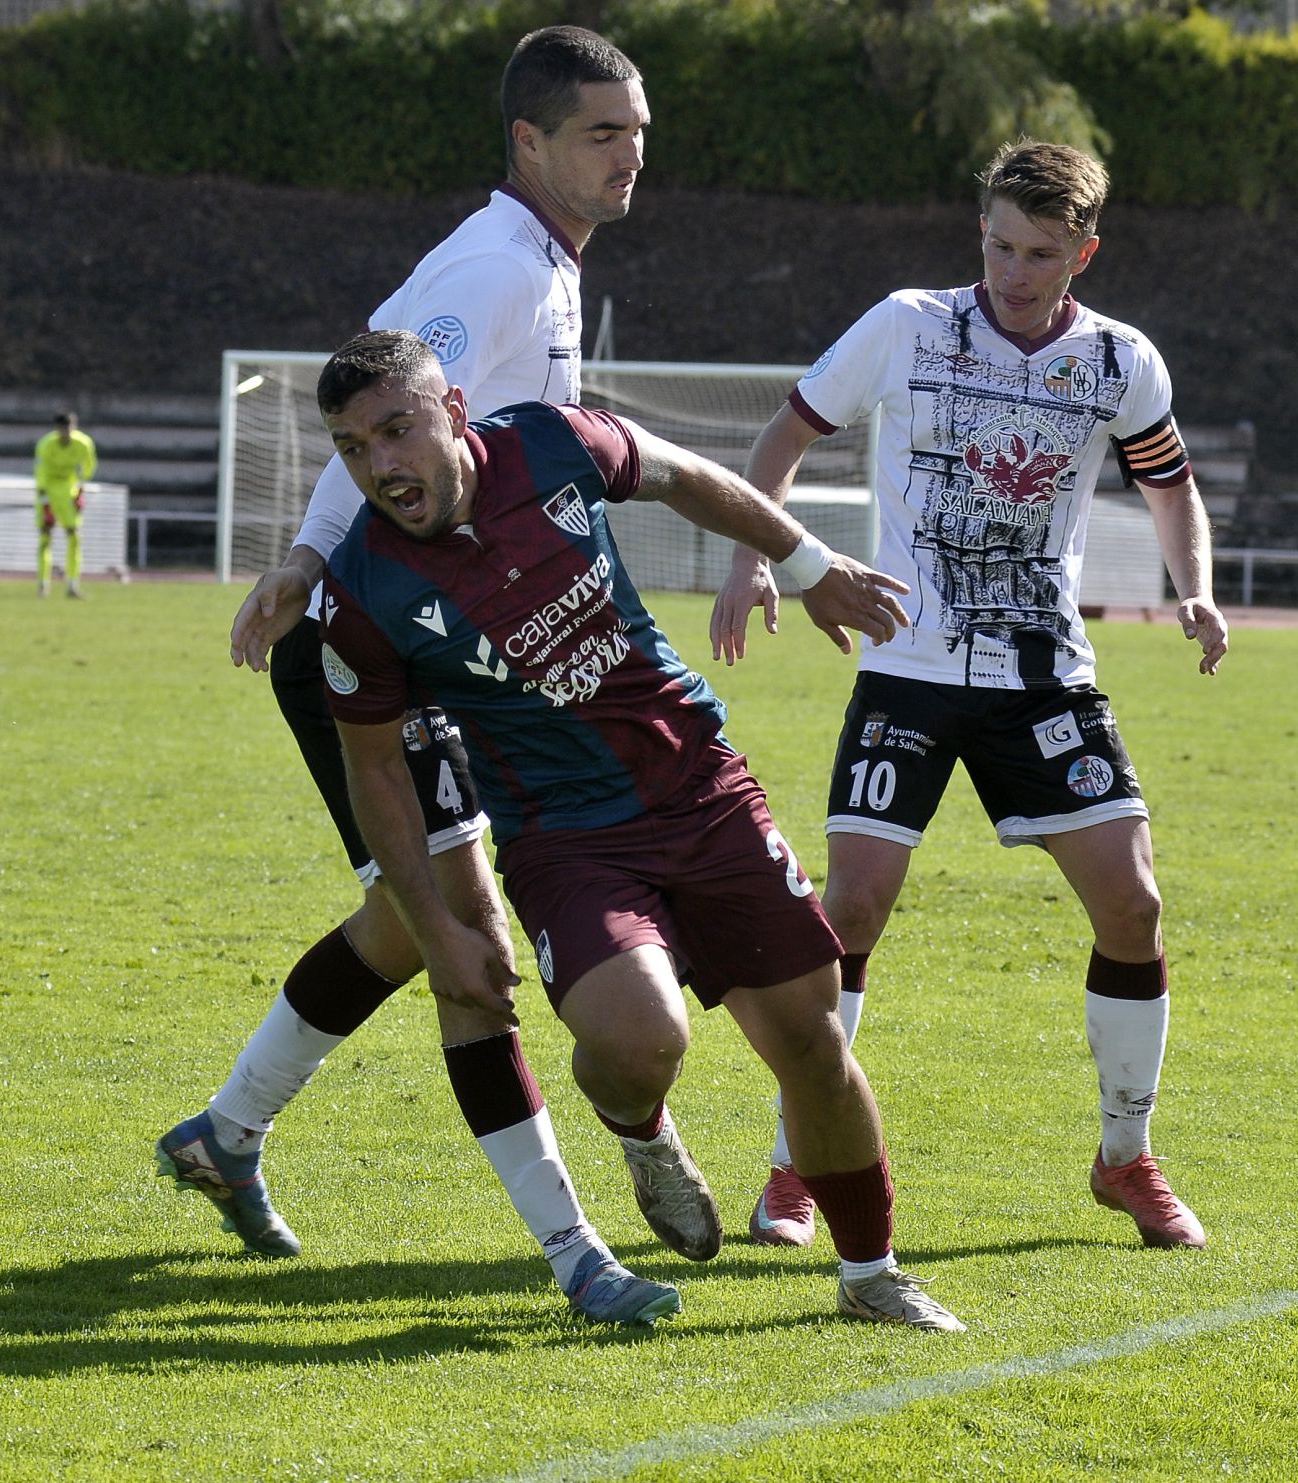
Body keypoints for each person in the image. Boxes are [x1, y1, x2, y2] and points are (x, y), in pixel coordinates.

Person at [159, 28, 701, 1329]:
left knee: (417, 926)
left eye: (636, 130)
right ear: (529, 143)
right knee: (467, 942)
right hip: (382, 638)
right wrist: (300, 562)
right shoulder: (496, 266)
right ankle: (582, 1251)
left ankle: (226, 1134)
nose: (630, 154)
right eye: (600, 133)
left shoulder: (545, 271)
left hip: (466, 643)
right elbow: (383, 398)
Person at [317, 329, 962, 1329]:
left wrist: (802, 561)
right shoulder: (364, 591)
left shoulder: (550, 444)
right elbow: (376, 775)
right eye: (354, 447)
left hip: (701, 787)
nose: (381, 466)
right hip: (567, 840)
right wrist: (437, 927)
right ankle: (642, 1128)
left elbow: (687, 472)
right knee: (638, 1037)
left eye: (396, 430)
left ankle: (871, 1274)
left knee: (811, 1037)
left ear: (450, 412)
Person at [710, 139, 1227, 1253]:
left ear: (1083, 253)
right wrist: (757, 556)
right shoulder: (905, 323)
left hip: (1044, 672)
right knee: (850, 908)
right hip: (908, 660)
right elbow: (788, 432)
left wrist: (1197, 592)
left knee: (1132, 904)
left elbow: (1170, 486)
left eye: (1040, 252)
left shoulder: (1119, 362)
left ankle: (1126, 1155)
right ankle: (800, 1160)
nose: (1012, 268)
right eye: (998, 242)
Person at [34, 411, 96, 598]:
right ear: (57, 429)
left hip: (69, 492)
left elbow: (89, 466)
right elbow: (40, 470)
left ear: (74, 427)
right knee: (45, 537)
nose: (66, 432)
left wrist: (81, 487)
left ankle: (72, 585)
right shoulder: (46, 445)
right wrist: (44, 499)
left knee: (74, 537)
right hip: (49, 492)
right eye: (62, 428)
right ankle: (43, 585)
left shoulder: (83, 444)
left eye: (69, 428)